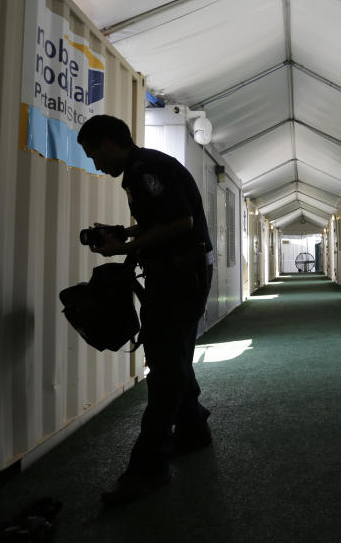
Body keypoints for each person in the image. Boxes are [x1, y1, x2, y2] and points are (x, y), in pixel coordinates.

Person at [77, 114, 214, 505]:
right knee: (167, 354)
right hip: (175, 276)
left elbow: (181, 223)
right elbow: (165, 219)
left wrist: (124, 248)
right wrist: (127, 233)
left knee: (165, 365)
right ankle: (193, 429)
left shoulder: (146, 169)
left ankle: (148, 468)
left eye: (93, 154)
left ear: (108, 143)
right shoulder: (145, 167)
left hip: (180, 278)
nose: (95, 163)